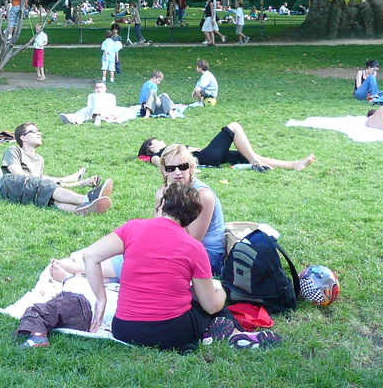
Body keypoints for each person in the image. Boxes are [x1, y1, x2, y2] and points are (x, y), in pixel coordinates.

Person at [47, 181, 276, 352]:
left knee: (192, 295)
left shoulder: (133, 228)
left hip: (124, 329)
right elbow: (209, 304)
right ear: (191, 217)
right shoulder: (194, 248)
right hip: (170, 334)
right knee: (213, 300)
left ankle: (214, 333)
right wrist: (222, 293)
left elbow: (92, 256)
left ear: (163, 205)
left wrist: (101, 298)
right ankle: (235, 333)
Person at [0, 123, 113, 215]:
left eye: (39, 131)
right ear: (23, 137)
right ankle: (87, 199)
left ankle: (83, 210)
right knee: (47, 186)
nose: (39, 133)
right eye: (33, 131)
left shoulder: (40, 159)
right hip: (13, 185)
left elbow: (39, 183)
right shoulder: (14, 150)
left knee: (51, 199)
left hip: (30, 189)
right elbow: (16, 172)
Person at [156, 143, 226, 274]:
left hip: (207, 257)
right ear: (164, 170)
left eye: (182, 167)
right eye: (171, 168)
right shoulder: (166, 191)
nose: (177, 172)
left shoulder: (203, 195)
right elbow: (156, 229)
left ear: (191, 168)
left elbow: (191, 241)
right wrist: (160, 201)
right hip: (177, 248)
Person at [138, 128, 315, 172]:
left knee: (248, 154)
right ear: (150, 147)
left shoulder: (168, 148)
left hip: (209, 156)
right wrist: (186, 150)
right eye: (156, 141)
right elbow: (162, 164)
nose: (160, 140)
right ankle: (256, 163)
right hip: (206, 158)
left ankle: (294, 165)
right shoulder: (157, 154)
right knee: (233, 127)